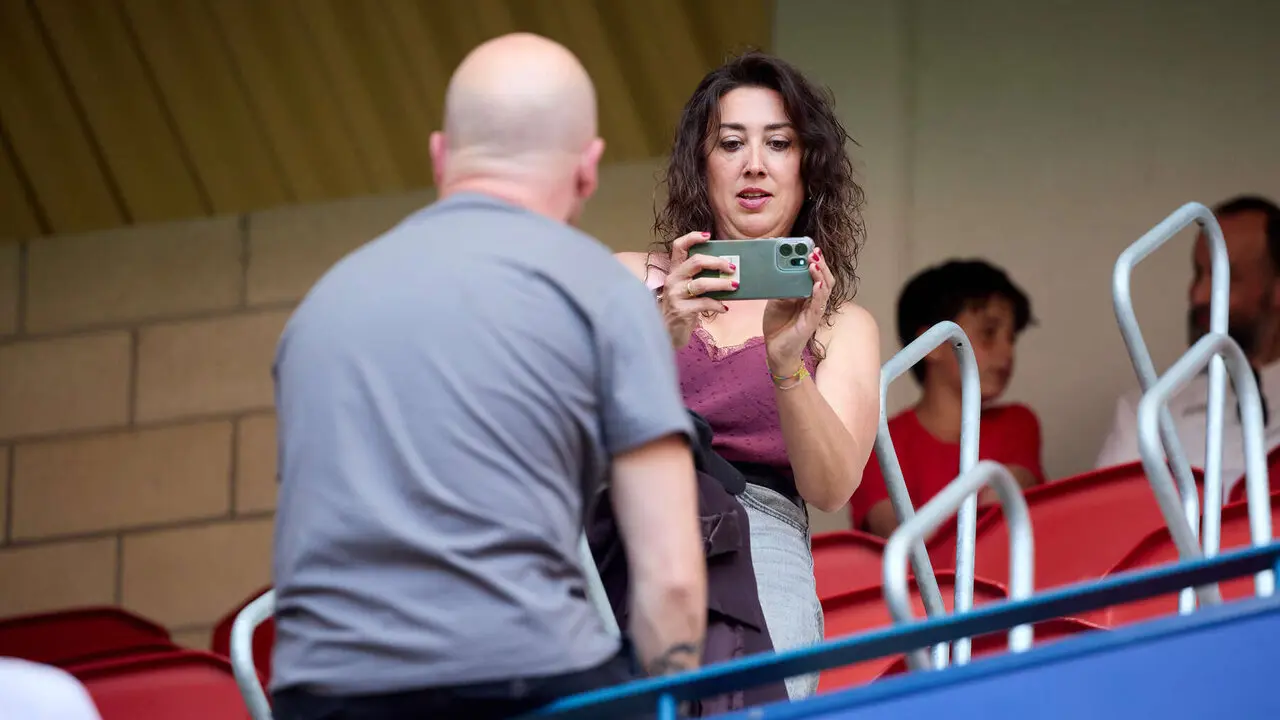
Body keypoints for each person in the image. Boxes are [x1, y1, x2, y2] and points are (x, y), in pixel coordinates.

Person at [269, 33, 706, 720]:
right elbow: (673, 582)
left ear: (440, 154)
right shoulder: (601, 291)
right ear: (587, 171)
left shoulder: (318, 309)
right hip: (522, 678)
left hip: (322, 695)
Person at [616, 50, 881, 701]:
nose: (754, 164)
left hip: (760, 535)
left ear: (808, 168)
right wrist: (659, 332)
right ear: (701, 165)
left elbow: (831, 488)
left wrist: (787, 365)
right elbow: (559, 423)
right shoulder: (630, 277)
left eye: (779, 143)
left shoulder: (841, 324)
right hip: (629, 520)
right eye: (731, 143)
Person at [1096, 196, 1280, 500]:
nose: (1198, 295)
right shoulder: (1147, 412)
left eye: (1224, 277)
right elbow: (1111, 519)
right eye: (1198, 273)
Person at [850, 259, 1045, 538]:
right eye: (989, 333)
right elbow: (903, 539)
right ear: (932, 344)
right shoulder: (878, 442)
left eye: (1011, 338)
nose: (1006, 352)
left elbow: (994, 520)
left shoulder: (1017, 424)